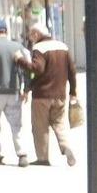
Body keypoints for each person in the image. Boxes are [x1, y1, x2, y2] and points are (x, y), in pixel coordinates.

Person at [14, 23, 78, 167]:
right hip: (60, 95)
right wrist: (73, 92)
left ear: (36, 34)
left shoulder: (39, 48)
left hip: (41, 95)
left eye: (31, 34)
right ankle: (66, 147)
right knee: (59, 124)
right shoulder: (63, 46)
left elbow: (37, 69)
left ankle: (42, 158)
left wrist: (19, 60)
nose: (30, 38)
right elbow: (72, 71)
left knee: (40, 127)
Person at [0, 18, 30, 167]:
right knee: (17, 125)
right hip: (14, 91)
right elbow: (26, 68)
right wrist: (26, 89)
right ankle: (22, 154)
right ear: (6, 31)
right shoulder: (17, 46)